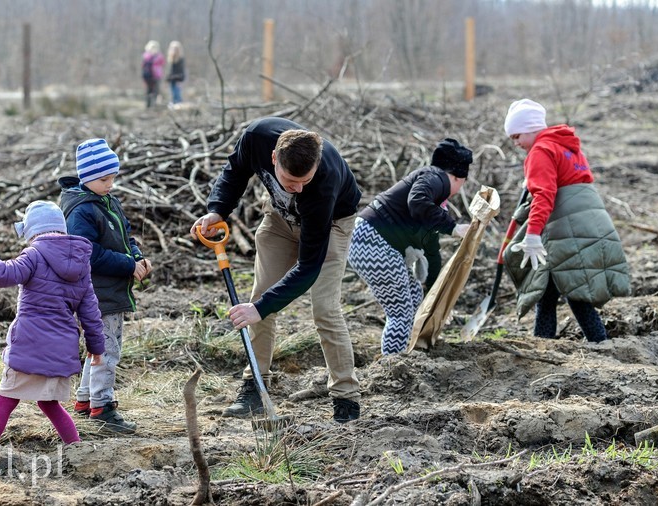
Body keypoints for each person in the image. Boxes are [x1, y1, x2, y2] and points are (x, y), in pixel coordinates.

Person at [190, 117, 362, 423]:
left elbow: (309, 267)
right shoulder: (257, 138)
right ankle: (255, 385)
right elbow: (235, 170)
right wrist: (217, 209)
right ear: (273, 158)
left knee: (324, 307)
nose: (297, 188)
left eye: (303, 182)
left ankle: (346, 397)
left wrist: (263, 307)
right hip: (281, 221)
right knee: (259, 297)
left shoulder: (324, 181)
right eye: (289, 180)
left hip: (331, 224)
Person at [0, 201, 105, 445]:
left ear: (32, 232)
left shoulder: (34, 255)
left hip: (29, 344)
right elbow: (90, 310)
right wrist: (97, 348)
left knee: (6, 399)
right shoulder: (81, 264)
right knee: (49, 403)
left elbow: (2, 274)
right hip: (61, 349)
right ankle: (75, 446)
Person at [502, 99, 630, 342]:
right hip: (590, 221)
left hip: (566, 227)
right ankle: (552, 342)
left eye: (517, 136)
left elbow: (545, 195)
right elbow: (570, 180)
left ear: (530, 128)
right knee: (555, 288)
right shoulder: (566, 145)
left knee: (570, 289)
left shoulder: (540, 151)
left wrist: (532, 234)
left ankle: (594, 343)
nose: (516, 143)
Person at [58, 138, 153, 433]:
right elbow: (90, 254)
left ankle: (86, 400)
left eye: (113, 177)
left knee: (98, 348)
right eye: (104, 179)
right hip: (97, 292)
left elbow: (125, 235)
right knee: (107, 349)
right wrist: (128, 265)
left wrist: (136, 256)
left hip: (111, 289)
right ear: (87, 178)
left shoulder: (107, 201)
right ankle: (103, 406)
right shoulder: (82, 211)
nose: (110, 183)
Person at [347, 139, 473, 354]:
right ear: (456, 176)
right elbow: (417, 202)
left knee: (415, 295)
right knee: (401, 312)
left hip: (369, 241)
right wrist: (452, 227)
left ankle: (409, 351)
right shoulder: (435, 177)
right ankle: (393, 365)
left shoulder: (435, 205)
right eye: (463, 182)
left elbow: (433, 253)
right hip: (372, 242)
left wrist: (437, 299)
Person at [141, 40, 165, 108]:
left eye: (155, 48)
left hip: (157, 76)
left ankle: (154, 105)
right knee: (149, 91)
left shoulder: (159, 57)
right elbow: (143, 66)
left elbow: (162, 63)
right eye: (152, 48)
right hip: (148, 76)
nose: (153, 50)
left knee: (156, 91)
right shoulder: (146, 57)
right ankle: (148, 105)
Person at [166, 41, 185, 106]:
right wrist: (168, 78)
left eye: (176, 49)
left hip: (178, 80)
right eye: (173, 48)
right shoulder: (170, 59)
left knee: (177, 94)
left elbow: (181, 71)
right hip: (172, 80)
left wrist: (179, 79)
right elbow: (170, 71)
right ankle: (174, 106)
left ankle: (179, 106)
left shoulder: (180, 59)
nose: (174, 50)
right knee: (172, 94)